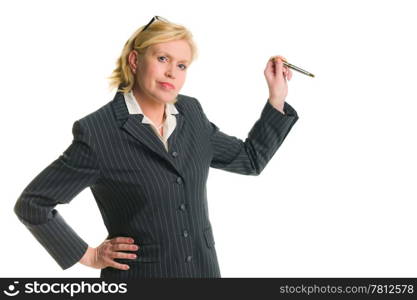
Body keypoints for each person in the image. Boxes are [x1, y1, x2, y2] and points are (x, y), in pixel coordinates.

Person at [14, 16, 299, 279]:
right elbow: (33, 204)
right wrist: (88, 255)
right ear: (135, 60)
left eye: (182, 65)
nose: (172, 72)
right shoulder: (98, 132)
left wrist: (277, 97)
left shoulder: (192, 113)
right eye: (163, 58)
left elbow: (250, 160)